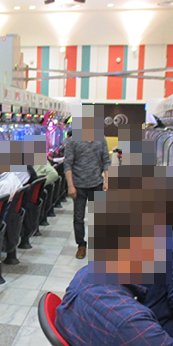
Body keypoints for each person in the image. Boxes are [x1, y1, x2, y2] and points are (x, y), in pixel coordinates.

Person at [64, 107, 110, 259]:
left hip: (97, 184)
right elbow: (68, 164)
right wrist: (70, 185)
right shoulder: (73, 141)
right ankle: (81, 245)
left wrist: (107, 180)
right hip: (78, 186)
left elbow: (106, 161)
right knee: (78, 218)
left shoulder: (101, 139)